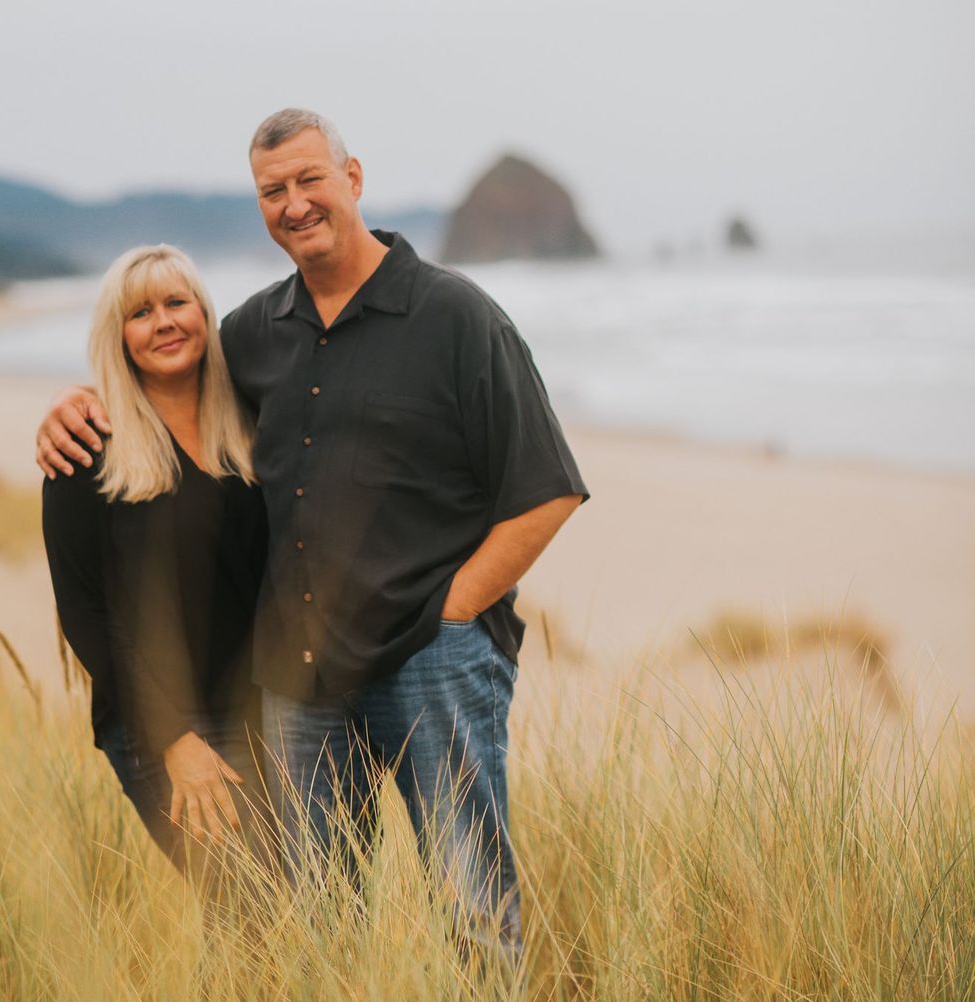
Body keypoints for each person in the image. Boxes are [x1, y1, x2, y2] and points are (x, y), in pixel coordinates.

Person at [36, 110, 587, 955]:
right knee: (319, 919)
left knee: (470, 899)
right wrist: (77, 406)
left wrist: (452, 613)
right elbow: (160, 365)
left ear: (353, 178)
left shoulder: (456, 316)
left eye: (309, 180)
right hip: (298, 680)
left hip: (430, 660)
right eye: (272, 190)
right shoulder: (254, 335)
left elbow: (547, 489)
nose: (294, 203)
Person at [41, 244, 273, 904]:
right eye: (140, 312)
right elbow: (84, 609)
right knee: (245, 905)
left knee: (282, 913)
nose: (164, 322)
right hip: (157, 723)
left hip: (260, 712)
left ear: (205, 313)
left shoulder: (252, 423)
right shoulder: (87, 446)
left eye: (177, 302)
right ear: (118, 336)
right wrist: (176, 741)